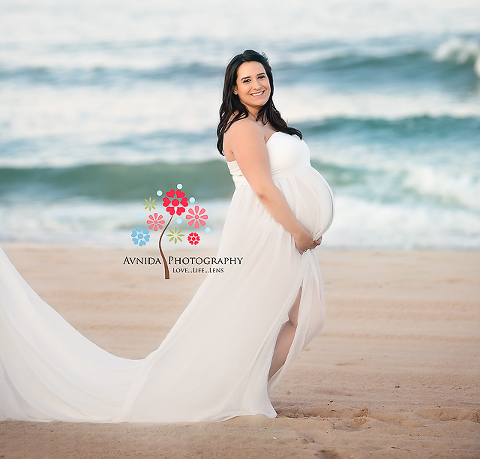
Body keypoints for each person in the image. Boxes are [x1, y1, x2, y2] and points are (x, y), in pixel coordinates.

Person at [0, 50, 334, 423]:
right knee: (285, 314)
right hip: (270, 230)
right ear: (234, 89)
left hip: (283, 230)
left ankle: (240, 389)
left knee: (292, 315)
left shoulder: (267, 122)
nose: (257, 85)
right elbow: (262, 188)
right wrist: (298, 231)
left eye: (261, 77)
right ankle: (236, 391)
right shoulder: (243, 127)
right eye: (247, 80)